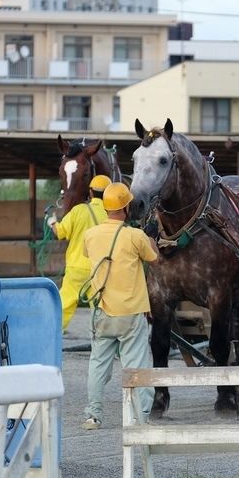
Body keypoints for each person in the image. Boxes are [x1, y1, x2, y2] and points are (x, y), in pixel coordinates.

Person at [80, 182, 159, 430]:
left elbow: (88, 254)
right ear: (126, 208)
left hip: (101, 310)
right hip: (131, 313)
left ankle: (93, 415)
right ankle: (139, 417)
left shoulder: (90, 235)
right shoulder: (135, 236)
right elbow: (154, 258)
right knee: (137, 367)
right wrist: (151, 236)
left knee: (98, 364)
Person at [48, 174, 110, 332]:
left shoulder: (78, 211)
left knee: (64, 305)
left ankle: (51, 334)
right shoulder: (111, 215)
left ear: (90, 192)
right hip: (100, 270)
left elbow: (60, 232)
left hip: (76, 268)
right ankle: (103, 341)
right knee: (99, 309)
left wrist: (52, 221)